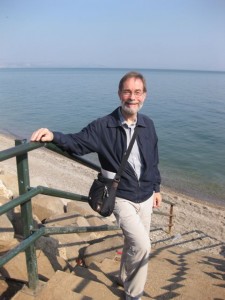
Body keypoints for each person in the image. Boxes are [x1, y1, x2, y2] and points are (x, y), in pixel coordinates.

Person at [31, 71, 162, 300]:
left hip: (147, 196)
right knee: (143, 245)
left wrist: (157, 188)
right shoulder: (103, 126)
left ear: (145, 95)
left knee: (134, 242)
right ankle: (134, 295)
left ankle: (123, 276)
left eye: (137, 92)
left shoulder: (148, 124)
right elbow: (77, 143)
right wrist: (53, 135)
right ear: (119, 94)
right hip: (121, 196)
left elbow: (153, 160)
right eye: (127, 91)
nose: (133, 97)